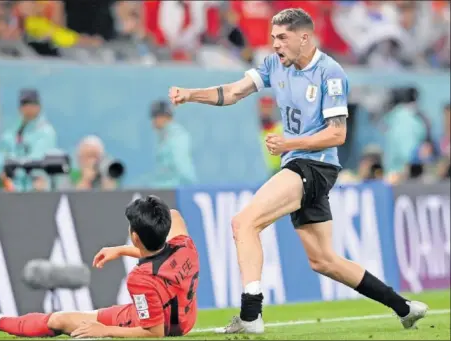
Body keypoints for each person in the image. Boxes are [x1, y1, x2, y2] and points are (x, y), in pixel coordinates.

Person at [168, 8, 428, 334]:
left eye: (282, 38)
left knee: (244, 222)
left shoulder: (330, 74)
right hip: (302, 164)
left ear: (304, 37)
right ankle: (403, 307)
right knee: (323, 261)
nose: (275, 45)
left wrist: (292, 142)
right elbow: (233, 92)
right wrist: (192, 95)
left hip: (315, 164)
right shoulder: (275, 66)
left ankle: (251, 314)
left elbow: (337, 133)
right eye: (273, 38)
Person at [0, 196, 199, 339]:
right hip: (182, 319)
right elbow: (165, 237)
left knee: (59, 320)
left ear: (135, 236)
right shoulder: (184, 245)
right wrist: (122, 249)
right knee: (94, 314)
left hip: (158, 324)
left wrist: (105, 331)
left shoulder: (140, 279)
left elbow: (154, 333)